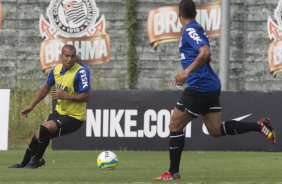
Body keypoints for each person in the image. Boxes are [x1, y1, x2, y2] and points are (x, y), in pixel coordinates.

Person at [153, 0, 277, 180]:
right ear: (195, 13)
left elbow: (205, 52)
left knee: (174, 125)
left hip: (200, 85)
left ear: (179, 13)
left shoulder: (190, 30)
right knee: (215, 130)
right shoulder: (194, 28)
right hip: (208, 85)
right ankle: (259, 126)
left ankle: (173, 173)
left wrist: (186, 72)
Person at [9, 44, 91, 169]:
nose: (69, 59)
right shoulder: (55, 70)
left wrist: (67, 96)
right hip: (59, 112)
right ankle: (23, 164)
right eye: (67, 56)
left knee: (45, 127)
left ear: (75, 57)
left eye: (72, 56)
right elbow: (46, 88)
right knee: (37, 136)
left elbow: (86, 96)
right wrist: (31, 106)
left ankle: (36, 160)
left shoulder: (81, 72)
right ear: (61, 56)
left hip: (74, 117)